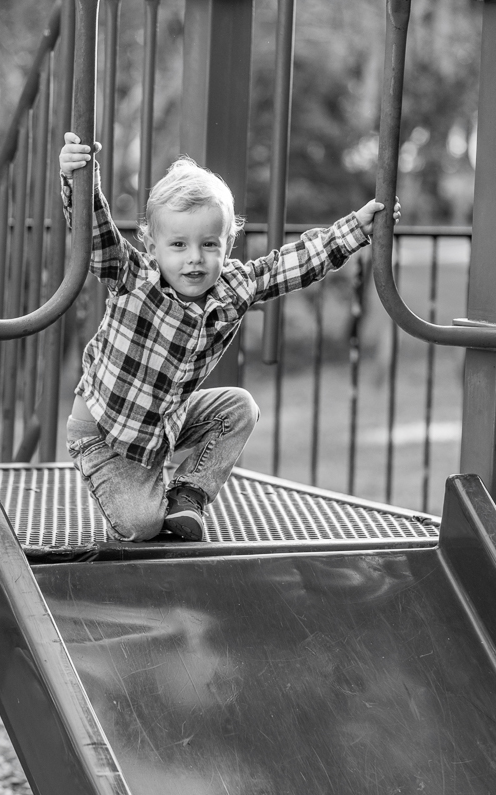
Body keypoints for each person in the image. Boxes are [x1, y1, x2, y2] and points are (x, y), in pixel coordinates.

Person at [60, 132, 400, 543]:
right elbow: (96, 238)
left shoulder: (235, 286)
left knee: (239, 407)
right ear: (151, 244)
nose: (194, 258)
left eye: (208, 244)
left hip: (162, 426)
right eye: (179, 244)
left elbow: (295, 263)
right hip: (104, 435)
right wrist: (80, 177)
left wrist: (357, 228)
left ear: (229, 243)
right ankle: (145, 500)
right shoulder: (134, 276)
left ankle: (189, 494)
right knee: (142, 526)